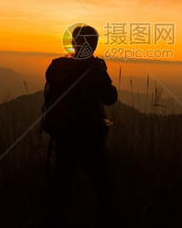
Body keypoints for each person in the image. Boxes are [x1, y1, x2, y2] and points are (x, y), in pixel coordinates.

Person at [43, 25, 117, 227]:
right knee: (102, 184)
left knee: (61, 181)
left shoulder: (59, 67)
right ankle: (105, 220)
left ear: (73, 43)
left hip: (63, 135)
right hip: (90, 136)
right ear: (93, 44)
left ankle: (53, 219)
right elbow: (110, 98)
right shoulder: (95, 69)